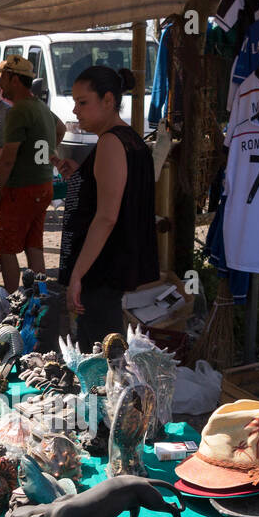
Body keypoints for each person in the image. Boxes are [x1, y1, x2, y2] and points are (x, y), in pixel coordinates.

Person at [54, 66, 159, 350]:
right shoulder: (130, 140)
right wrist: (80, 176)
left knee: (102, 360)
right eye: (75, 102)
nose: (76, 110)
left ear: (109, 100)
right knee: (107, 354)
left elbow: (107, 217)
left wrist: (77, 274)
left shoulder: (111, 142)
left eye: (83, 102)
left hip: (101, 271)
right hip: (112, 267)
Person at [0, 55, 65, 293]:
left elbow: (8, 158)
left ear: (13, 78)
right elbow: (60, 128)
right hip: (43, 185)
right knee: (34, 245)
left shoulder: (18, 110)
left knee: (5, 248)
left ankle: (13, 300)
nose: (0, 85)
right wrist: (42, 152)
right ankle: (40, 298)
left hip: (21, 189)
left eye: (2, 78)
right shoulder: (39, 105)